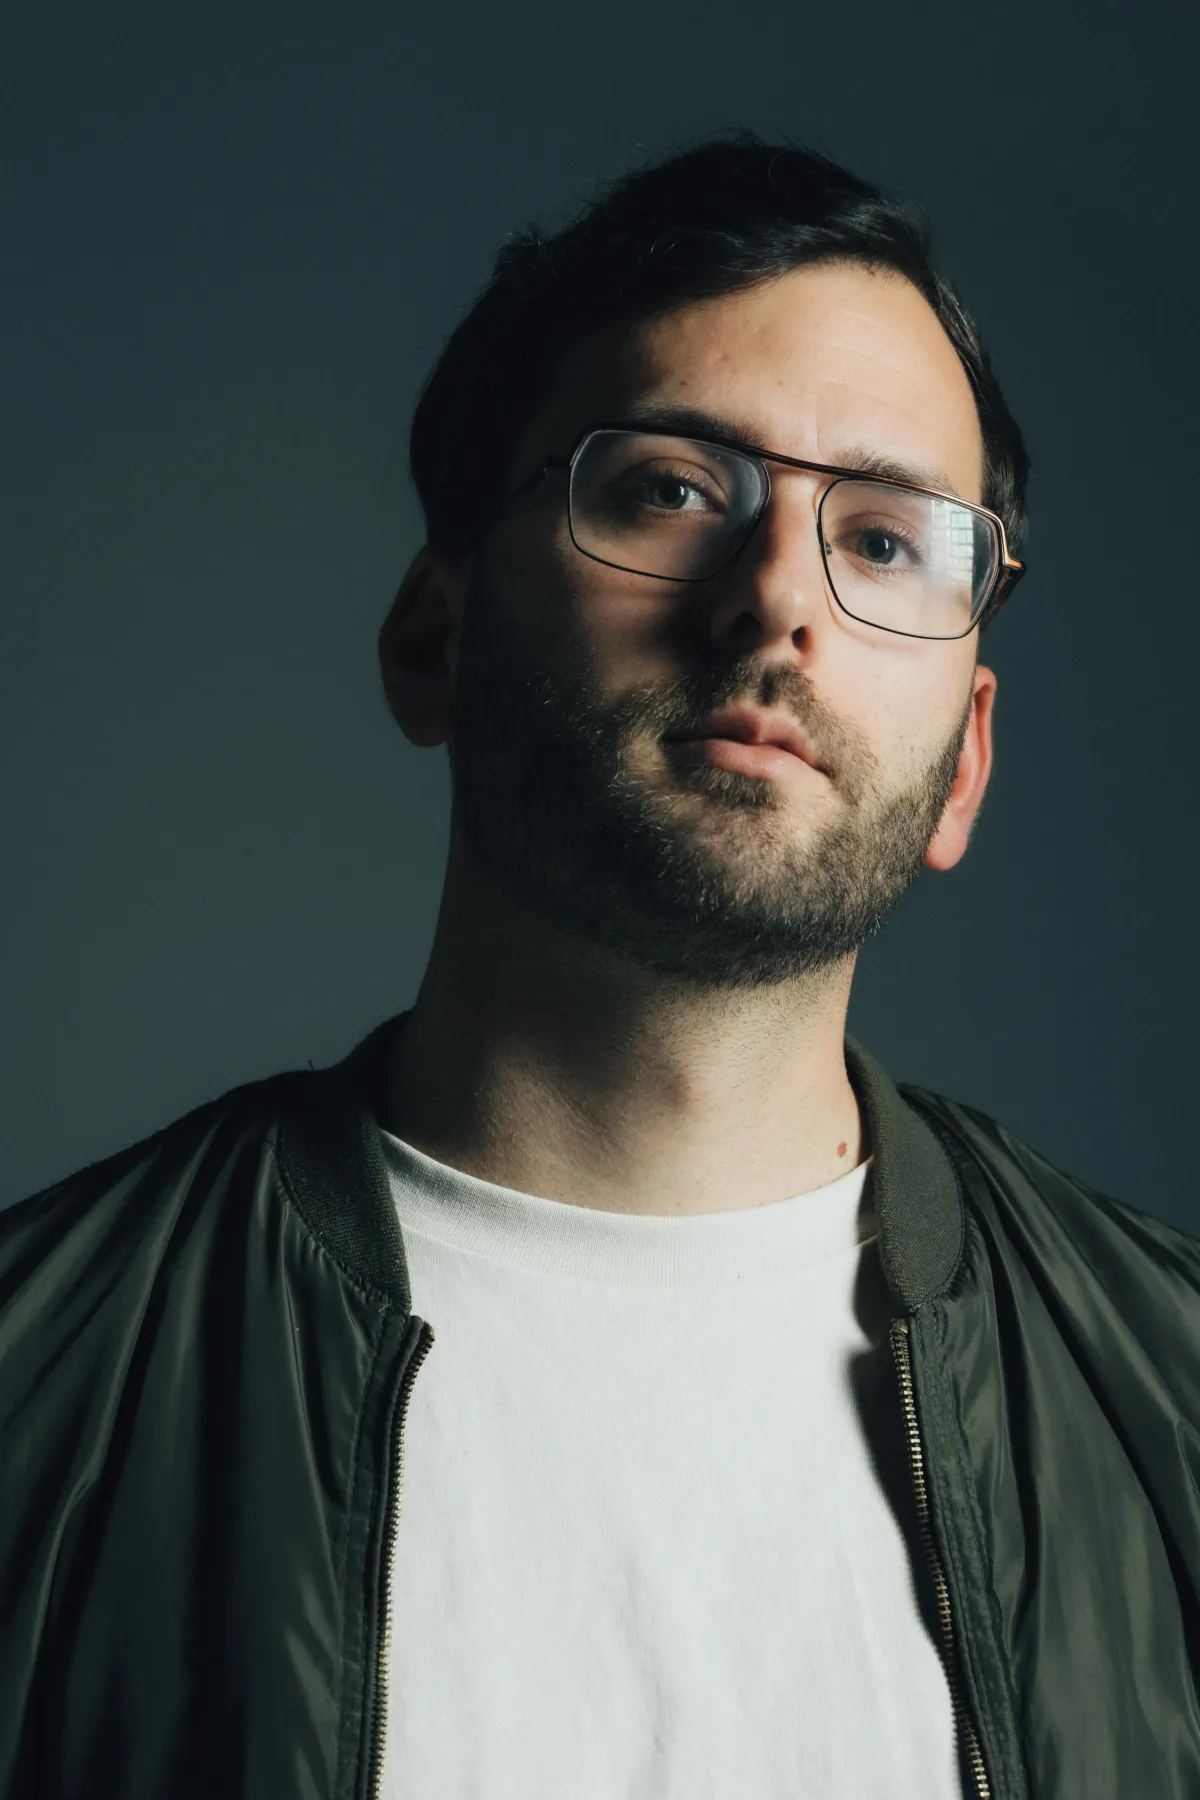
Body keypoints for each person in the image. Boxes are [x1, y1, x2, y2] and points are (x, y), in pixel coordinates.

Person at [2, 133, 1198, 1800]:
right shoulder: (39, 1397)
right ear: (435, 639)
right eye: (670, 489)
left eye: (884, 539)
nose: (776, 601)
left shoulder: (1173, 1406)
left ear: (967, 764)